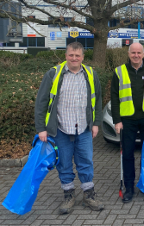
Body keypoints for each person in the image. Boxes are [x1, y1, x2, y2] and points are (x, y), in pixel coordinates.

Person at [34, 42, 104, 214]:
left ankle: (89, 195)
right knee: (64, 164)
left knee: (86, 162)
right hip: (61, 129)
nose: (74, 58)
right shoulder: (53, 74)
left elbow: (98, 99)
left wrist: (96, 124)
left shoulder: (90, 74)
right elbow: (41, 102)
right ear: (66, 56)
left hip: (84, 128)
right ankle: (68, 195)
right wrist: (41, 128)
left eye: (77, 55)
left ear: (82, 57)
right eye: (71, 55)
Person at [110, 43, 144, 202]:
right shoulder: (119, 71)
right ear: (128, 53)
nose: (136, 55)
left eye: (139, 52)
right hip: (127, 120)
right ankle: (129, 188)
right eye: (133, 52)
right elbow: (114, 97)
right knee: (127, 155)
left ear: (143, 53)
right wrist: (117, 120)